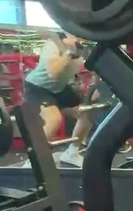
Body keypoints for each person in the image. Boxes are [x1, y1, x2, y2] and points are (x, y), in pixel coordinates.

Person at [23, 32, 89, 166]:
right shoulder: (53, 45)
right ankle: (33, 160)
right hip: (38, 87)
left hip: (59, 88)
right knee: (54, 120)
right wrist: (69, 52)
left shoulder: (82, 47)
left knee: (87, 112)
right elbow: (52, 73)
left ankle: (72, 153)